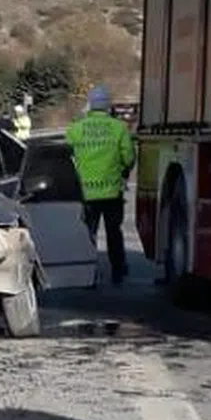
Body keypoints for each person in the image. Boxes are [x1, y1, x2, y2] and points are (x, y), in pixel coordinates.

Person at [65, 84, 136, 285]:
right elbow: (129, 157)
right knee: (114, 233)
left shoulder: (76, 129)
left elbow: (65, 156)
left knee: (89, 234)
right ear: (108, 106)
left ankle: (87, 273)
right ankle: (118, 270)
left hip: (86, 192)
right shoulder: (119, 128)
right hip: (112, 191)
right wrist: (121, 170)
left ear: (90, 105)